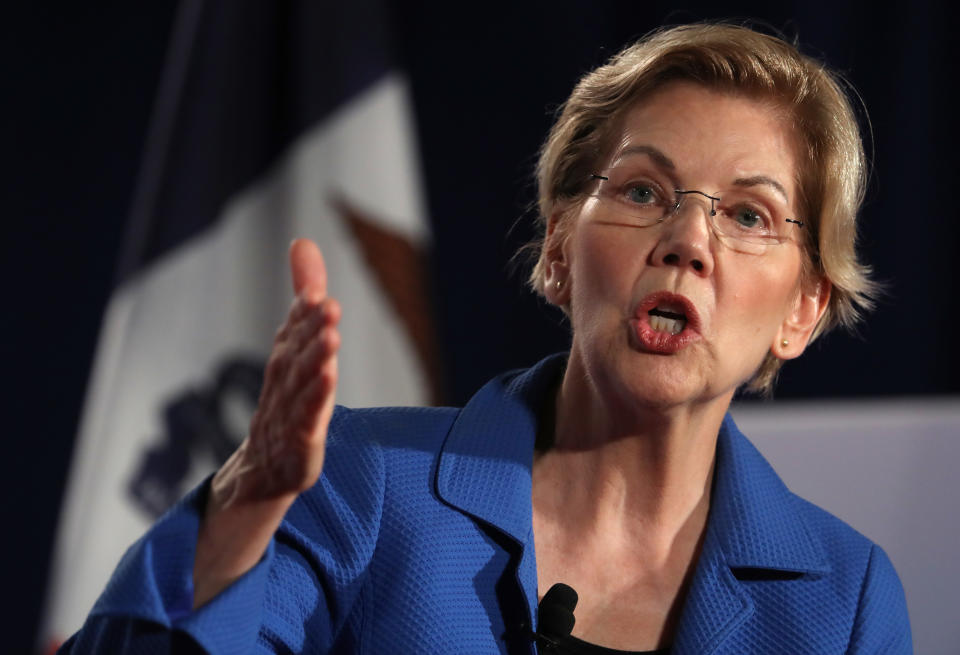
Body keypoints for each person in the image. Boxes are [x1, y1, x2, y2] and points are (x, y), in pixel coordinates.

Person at [61, 22, 912, 654]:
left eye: (749, 214)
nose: (689, 240)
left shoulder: (844, 599)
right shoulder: (362, 483)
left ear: (804, 307)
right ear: (558, 251)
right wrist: (245, 501)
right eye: (646, 191)